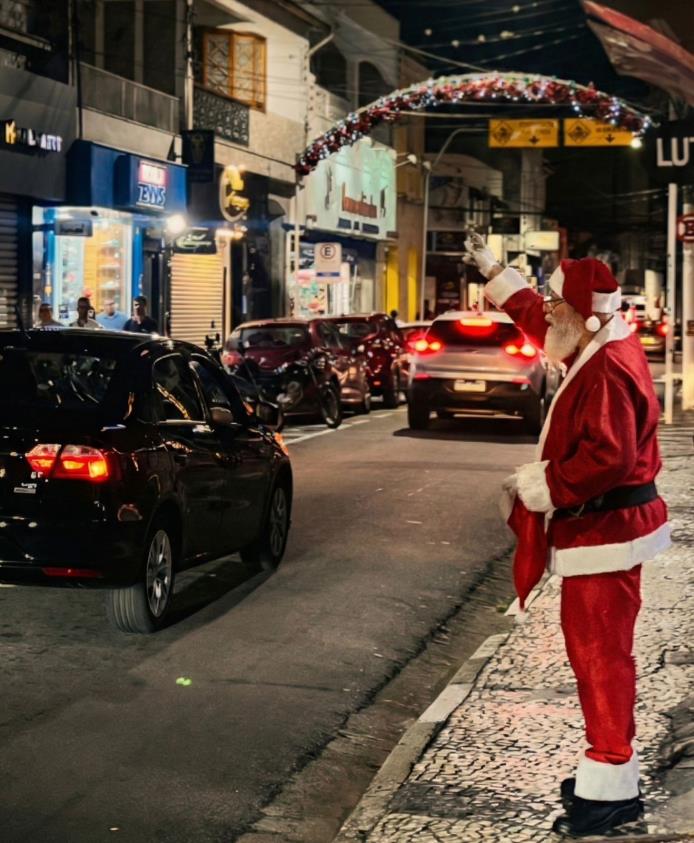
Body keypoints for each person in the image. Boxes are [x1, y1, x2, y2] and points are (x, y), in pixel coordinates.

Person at [463, 233, 670, 838]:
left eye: (557, 307)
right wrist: (497, 273)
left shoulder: (604, 369)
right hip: (605, 529)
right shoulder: (595, 337)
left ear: (581, 314)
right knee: (596, 657)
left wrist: (545, 485)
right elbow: (538, 316)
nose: (546, 314)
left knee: (601, 660)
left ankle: (610, 785)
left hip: (605, 529)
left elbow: (607, 457)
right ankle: (609, 770)